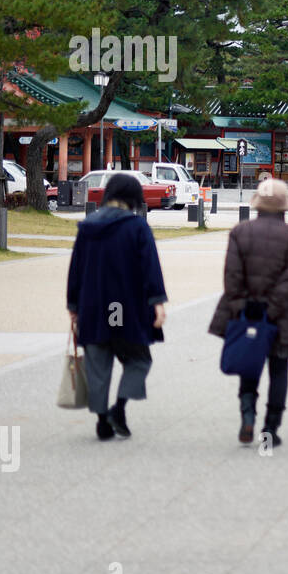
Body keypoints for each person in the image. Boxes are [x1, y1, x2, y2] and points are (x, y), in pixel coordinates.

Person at [65, 173, 167, 441]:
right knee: (138, 359)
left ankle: (101, 421)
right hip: (123, 308)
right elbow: (150, 268)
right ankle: (118, 409)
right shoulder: (137, 227)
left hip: (93, 307)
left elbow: (75, 270)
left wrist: (73, 306)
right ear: (134, 197)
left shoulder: (87, 227)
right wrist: (157, 302)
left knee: (98, 365)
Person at [208, 178, 288, 446]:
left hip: (244, 311)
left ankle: (248, 415)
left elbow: (232, 273)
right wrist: (272, 307)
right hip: (281, 313)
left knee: (249, 362)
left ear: (257, 206)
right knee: (279, 368)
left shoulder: (240, 232)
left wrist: (241, 304)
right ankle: (271, 428)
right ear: (285, 208)